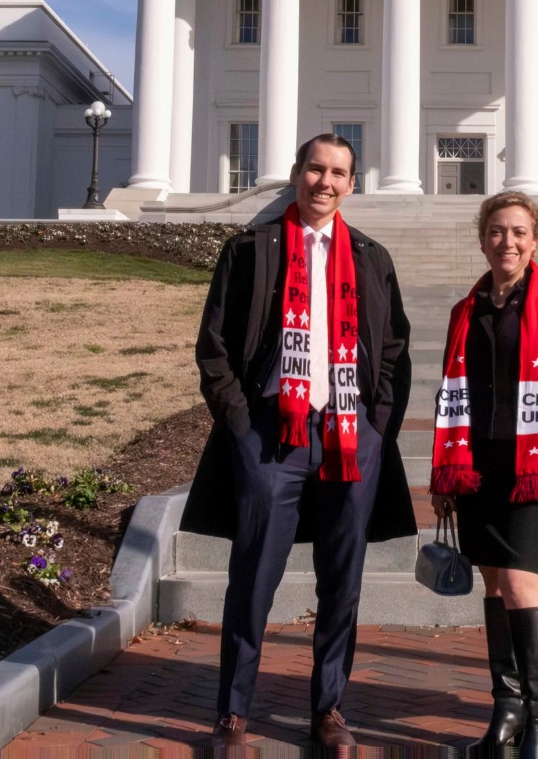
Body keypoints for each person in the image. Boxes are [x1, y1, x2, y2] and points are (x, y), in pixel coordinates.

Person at [183, 133, 414, 750]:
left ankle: (329, 706)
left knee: (343, 577)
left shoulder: (371, 256)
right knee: (254, 571)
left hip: (348, 431)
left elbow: (393, 348)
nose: (326, 182)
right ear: (296, 172)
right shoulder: (252, 249)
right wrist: (239, 422)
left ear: (352, 184)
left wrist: (375, 424)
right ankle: (233, 710)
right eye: (316, 169)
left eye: (340, 173)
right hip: (270, 433)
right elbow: (215, 348)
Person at [429, 191, 538, 759]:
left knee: (522, 583)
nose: (508, 242)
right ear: (483, 238)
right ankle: (507, 707)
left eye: (519, 232)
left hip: (534, 466)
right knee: (493, 584)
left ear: (535, 240)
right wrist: (445, 476)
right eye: (497, 231)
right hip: (476, 468)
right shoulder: (466, 311)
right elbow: (452, 394)